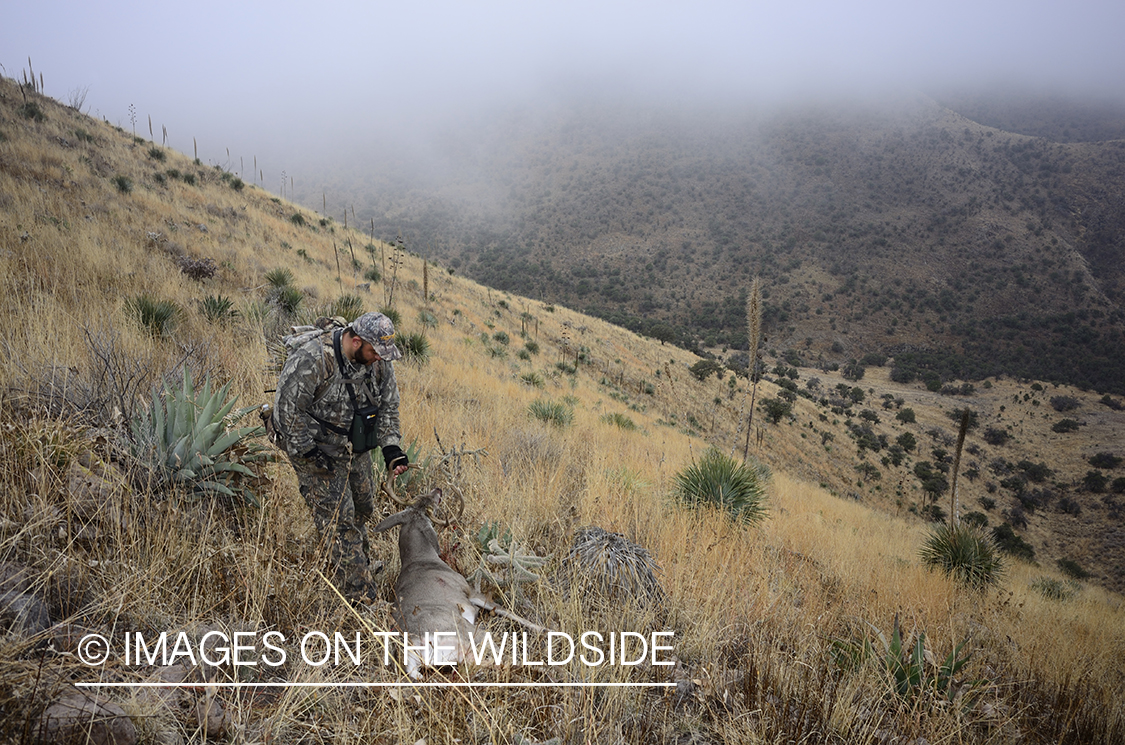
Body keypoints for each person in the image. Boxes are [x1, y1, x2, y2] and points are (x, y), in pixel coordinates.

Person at [271, 312, 409, 602]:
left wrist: (392, 449)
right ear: (356, 341)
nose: (379, 359)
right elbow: (287, 411)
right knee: (339, 521)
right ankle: (361, 597)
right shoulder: (313, 360)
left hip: (354, 448)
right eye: (374, 352)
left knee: (363, 508)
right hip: (315, 450)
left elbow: (389, 406)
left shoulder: (378, 362)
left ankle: (359, 564)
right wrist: (308, 453)